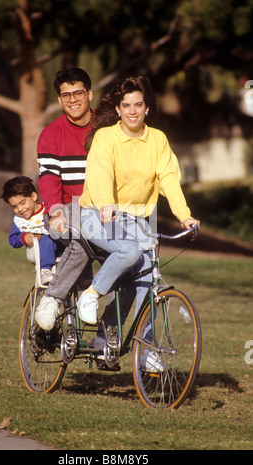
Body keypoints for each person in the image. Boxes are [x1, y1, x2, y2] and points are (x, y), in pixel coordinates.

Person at [78, 75, 200, 328]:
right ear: (118, 110)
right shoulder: (105, 137)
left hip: (135, 219)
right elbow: (101, 173)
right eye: (126, 105)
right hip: (97, 214)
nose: (132, 111)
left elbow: (168, 178)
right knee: (130, 251)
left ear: (147, 108)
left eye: (137, 105)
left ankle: (143, 348)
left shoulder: (157, 140)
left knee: (148, 276)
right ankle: (91, 295)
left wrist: (184, 215)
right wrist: (105, 203)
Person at [34, 68, 94, 330]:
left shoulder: (106, 129)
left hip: (103, 207)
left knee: (128, 259)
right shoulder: (51, 134)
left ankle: (108, 336)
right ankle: (52, 298)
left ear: (90, 94)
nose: (72, 99)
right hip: (68, 207)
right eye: (66, 95)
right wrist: (56, 212)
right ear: (59, 100)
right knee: (81, 236)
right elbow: (48, 179)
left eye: (78, 92)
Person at [1, 176, 58, 290]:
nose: (20, 209)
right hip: (38, 253)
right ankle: (45, 270)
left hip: (59, 249)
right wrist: (23, 236)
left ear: (33, 196)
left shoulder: (47, 210)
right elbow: (12, 240)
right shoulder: (19, 221)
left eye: (23, 203)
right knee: (46, 238)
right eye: (15, 207)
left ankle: (82, 274)